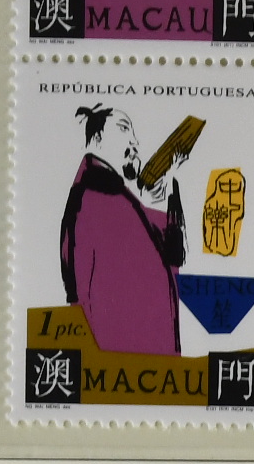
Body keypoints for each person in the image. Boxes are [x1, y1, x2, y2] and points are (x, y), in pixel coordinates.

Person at [59, 105, 186, 354]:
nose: (135, 142)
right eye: (123, 128)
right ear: (97, 138)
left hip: (148, 359)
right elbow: (80, 293)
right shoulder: (92, 198)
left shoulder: (122, 202)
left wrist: (165, 199)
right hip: (118, 359)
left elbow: (170, 262)